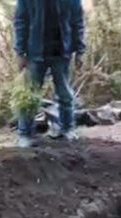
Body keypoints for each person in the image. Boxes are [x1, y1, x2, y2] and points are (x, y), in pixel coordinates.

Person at [13, 0, 86, 148]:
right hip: (35, 52)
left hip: (62, 52)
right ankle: (25, 133)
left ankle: (67, 128)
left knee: (65, 94)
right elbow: (21, 21)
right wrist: (20, 52)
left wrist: (80, 50)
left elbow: (77, 21)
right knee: (29, 96)